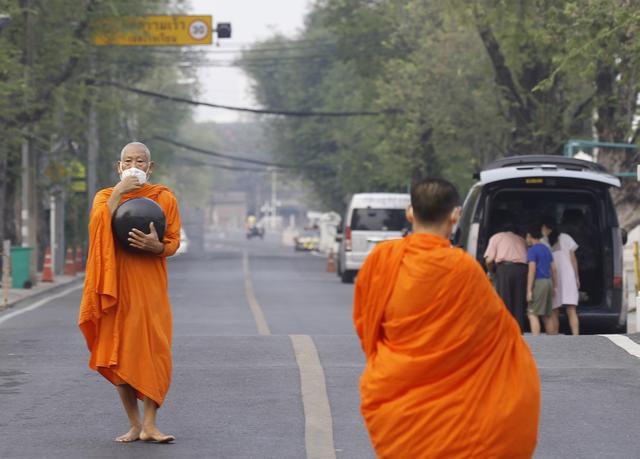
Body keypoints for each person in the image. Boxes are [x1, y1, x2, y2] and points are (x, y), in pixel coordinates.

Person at [353, 177, 540, 458]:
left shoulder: (381, 260)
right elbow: (499, 336)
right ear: (455, 215)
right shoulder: (464, 269)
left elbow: (365, 323)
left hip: (397, 399)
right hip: (458, 409)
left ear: (410, 213)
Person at [78, 142, 181, 443]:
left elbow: (173, 241)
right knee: (118, 353)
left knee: (154, 351)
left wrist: (157, 247)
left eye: (140, 161)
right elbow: (98, 227)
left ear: (151, 167)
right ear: (119, 166)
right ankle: (134, 424)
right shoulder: (105, 196)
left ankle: (151, 424)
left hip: (150, 286)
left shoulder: (163, 198)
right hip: (116, 286)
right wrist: (121, 192)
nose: (134, 165)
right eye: (128, 160)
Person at [484, 210, 528, 331]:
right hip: (522, 270)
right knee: (519, 301)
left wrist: (491, 271)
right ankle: (518, 330)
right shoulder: (521, 239)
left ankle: (505, 330)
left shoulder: (496, 237)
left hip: (504, 269)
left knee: (504, 299)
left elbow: (489, 260)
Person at [542, 220, 580, 335]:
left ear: (547, 228)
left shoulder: (543, 242)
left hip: (554, 278)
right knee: (571, 309)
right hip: (568, 277)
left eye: (543, 227)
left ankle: (555, 336)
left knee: (554, 310)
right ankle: (576, 335)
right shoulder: (566, 237)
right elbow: (573, 259)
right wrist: (576, 276)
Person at [525, 225, 557, 336]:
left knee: (532, 313)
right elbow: (554, 269)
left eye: (527, 237)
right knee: (547, 315)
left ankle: (536, 342)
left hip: (539, 282)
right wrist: (555, 286)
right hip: (548, 282)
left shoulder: (532, 250)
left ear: (530, 236)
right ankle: (552, 341)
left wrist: (529, 290)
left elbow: (531, 271)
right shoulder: (546, 249)